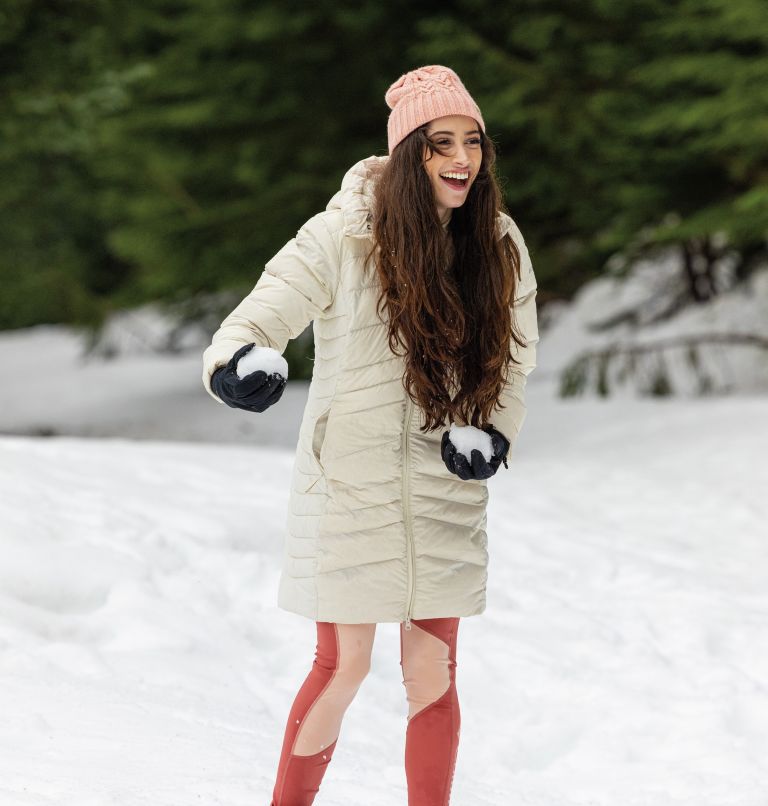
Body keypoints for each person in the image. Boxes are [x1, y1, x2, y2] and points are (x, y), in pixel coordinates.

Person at [201, 64, 539, 806]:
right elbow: (252, 323)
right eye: (440, 143)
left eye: (473, 141)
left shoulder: (498, 243)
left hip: (443, 485)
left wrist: (492, 431)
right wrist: (237, 366)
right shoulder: (343, 235)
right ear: (408, 152)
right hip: (349, 484)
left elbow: (514, 358)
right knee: (343, 664)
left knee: (432, 670)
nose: (462, 159)